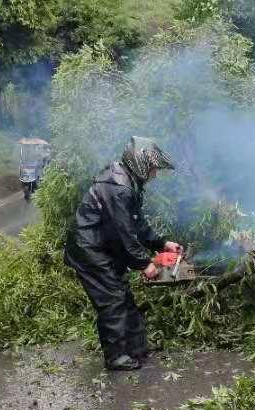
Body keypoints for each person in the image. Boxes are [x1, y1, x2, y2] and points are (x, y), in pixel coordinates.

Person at [64, 136, 181, 371]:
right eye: (153, 169)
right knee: (113, 300)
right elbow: (124, 233)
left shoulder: (127, 182)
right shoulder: (119, 188)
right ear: (140, 164)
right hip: (90, 250)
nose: (154, 174)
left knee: (124, 295)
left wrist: (161, 243)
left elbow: (136, 223)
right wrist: (145, 263)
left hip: (103, 247)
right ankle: (115, 357)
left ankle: (136, 348)